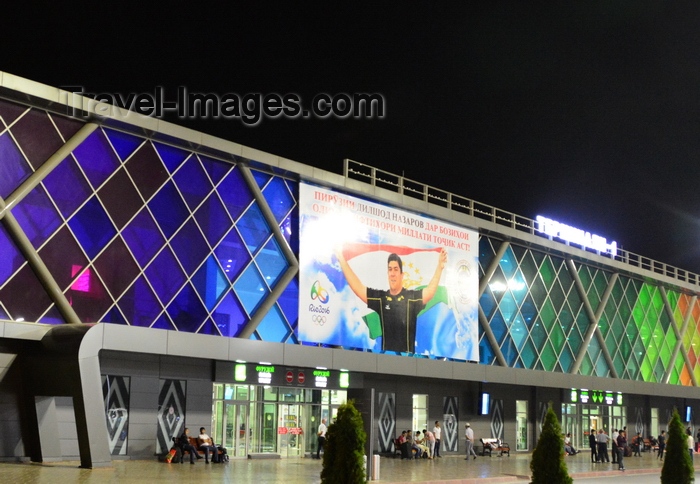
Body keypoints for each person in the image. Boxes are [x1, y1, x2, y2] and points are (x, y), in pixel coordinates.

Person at [336, 248, 447, 353]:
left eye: (395, 269)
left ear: (402, 274)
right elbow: (358, 288)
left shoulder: (411, 298)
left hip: (408, 361)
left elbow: (429, 292)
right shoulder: (381, 298)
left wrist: (439, 267)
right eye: (390, 269)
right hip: (387, 360)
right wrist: (342, 259)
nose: (392, 273)